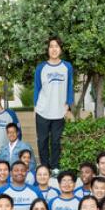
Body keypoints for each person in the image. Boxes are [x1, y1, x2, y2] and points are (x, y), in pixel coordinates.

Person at [32, 36, 72, 170]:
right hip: (42, 110)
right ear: (48, 50)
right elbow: (37, 88)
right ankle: (44, 167)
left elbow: (69, 87)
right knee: (42, 141)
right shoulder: (41, 68)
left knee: (55, 141)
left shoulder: (67, 67)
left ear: (60, 49)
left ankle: (54, 167)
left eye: (56, 46)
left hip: (59, 111)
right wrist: (35, 107)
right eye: (51, 46)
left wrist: (68, 105)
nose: (54, 49)